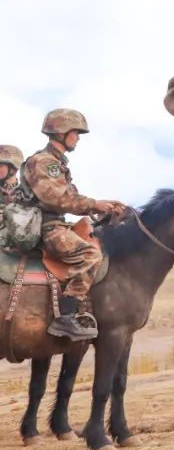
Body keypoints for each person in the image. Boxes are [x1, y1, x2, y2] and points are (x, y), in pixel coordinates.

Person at [22, 109, 126, 341]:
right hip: (45, 228)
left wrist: (103, 208)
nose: (78, 138)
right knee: (90, 254)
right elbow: (56, 198)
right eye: (75, 132)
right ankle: (65, 317)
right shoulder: (44, 162)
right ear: (61, 132)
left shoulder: (57, 164)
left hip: (57, 223)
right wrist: (94, 204)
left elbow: (72, 198)